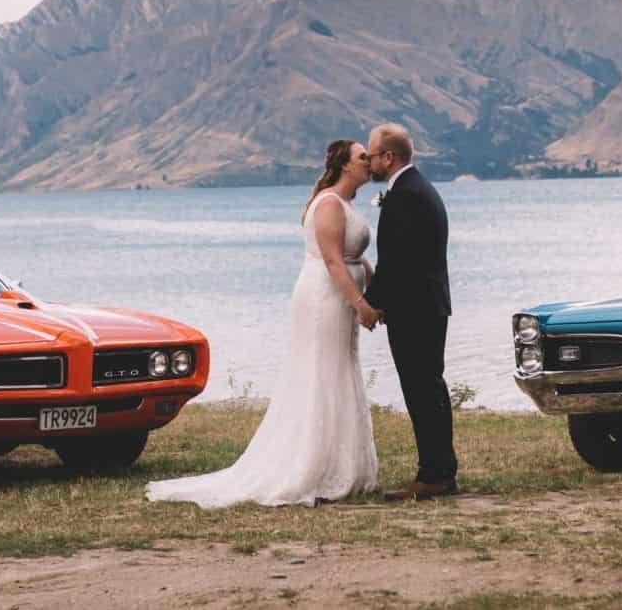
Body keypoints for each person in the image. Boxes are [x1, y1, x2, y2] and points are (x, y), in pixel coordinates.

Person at [146, 139, 381, 507]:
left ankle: (342, 464)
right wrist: (361, 304)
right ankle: (312, 465)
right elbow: (333, 262)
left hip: (338, 297)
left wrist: (372, 278)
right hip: (324, 299)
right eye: (362, 157)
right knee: (321, 371)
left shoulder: (346, 203)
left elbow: (351, 258)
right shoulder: (330, 204)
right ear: (344, 165)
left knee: (340, 368)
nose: (369, 162)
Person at [362, 122, 459, 500]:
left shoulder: (406, 195)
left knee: (422, 390)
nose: (369, 162)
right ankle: (440, 470)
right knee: (428, 388)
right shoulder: (414, 189)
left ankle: (435, 474)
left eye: (371, 155)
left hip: (416, 310)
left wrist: (371, 301)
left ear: (389, 157)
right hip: (426, 305)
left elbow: (397, 260)